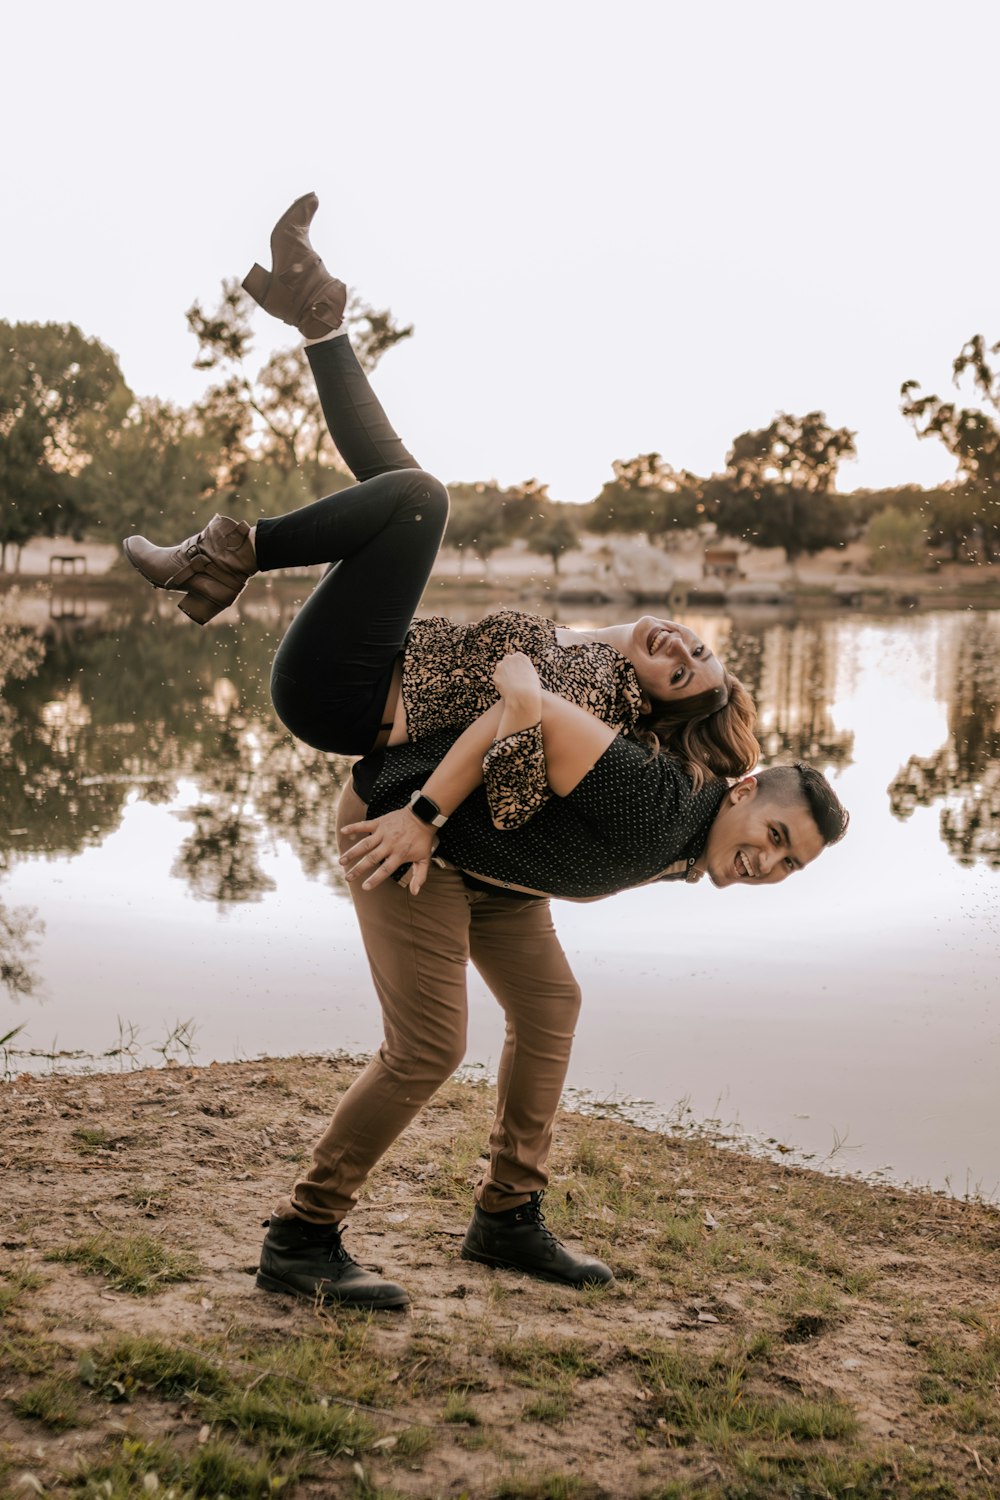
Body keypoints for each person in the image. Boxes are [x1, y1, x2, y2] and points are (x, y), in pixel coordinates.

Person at [122, 193, 759, 833]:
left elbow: (515, 803)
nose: (679, 647)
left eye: (677, 674)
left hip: (343, 695)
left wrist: (441, 800)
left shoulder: (603, 696)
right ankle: (316, 313)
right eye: (698, 648)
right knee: (401, 482)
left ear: (652, 700)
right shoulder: (592, 650)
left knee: (421, 498)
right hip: (364, 667)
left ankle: (224, 556)